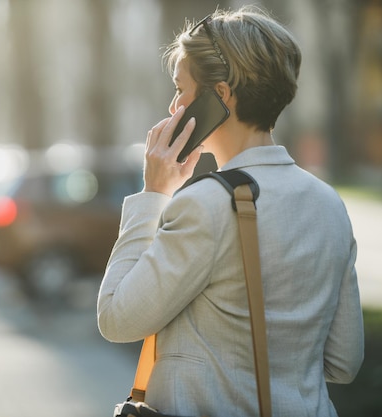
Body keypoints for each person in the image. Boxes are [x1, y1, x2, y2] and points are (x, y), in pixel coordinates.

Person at [97, 6, 364, 417]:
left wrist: (153, 194)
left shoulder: (206, 204)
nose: (173, 106)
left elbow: (116, 319)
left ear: (219, 96)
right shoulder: (330, 204)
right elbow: (343, 363)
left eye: (181, 89)